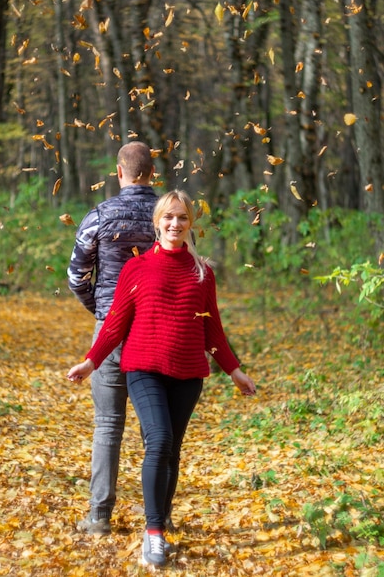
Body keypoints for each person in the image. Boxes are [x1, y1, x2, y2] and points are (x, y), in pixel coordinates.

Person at [67, 189, 256, 567]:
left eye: (182, 217)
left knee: (172, 450)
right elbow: (115, 323)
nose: (175, 224)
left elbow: (212, 330)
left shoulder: (202, 272)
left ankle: (161, 519)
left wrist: (234, 370)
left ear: (190, 223)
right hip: (143, 367)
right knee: (160, 439)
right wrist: (91, 361)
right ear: (157, 222)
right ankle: (153, 534)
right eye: (168, 217)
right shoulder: (135, 269)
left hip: (188, 374)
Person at [67, 141, 158, 535]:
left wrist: (103, 312)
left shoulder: (99, 215)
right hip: (156, 330)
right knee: (156, 428)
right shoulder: (167, 216)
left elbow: (75, 277)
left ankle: (99, 516)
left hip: (111, 330)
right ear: (152, 174)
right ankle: (156, 512)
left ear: (119, 173)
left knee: (107, 423)